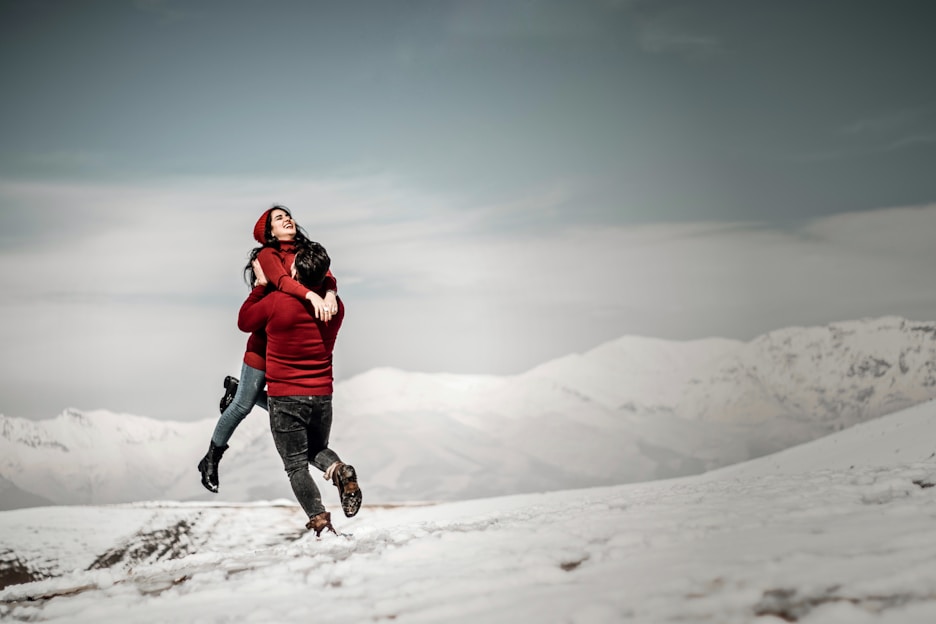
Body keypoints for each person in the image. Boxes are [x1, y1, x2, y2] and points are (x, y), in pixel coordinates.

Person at [197, 205, 338, 493]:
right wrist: (313, 295)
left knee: (281, 401)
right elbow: (283, 282)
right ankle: (211, 457)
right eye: (278, 218)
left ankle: (238, 389)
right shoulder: (268, 255)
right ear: (268, 232)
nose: (287, 218)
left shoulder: (308, 251)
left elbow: (328, 275)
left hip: (289, 346)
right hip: (263, 344)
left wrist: (331, 294)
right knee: (242, 406)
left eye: (288, 215)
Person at [238, 242, 361, 536]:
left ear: (293, 271)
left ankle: (320, 523)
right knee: (317, 449)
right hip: (321, 395)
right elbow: (325, 286)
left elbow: (244, 321)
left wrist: (260, 285)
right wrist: (330, 290)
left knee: (295, 466)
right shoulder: (336, 307)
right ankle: (340, 469)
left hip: (285, 395)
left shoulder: (277, 302)